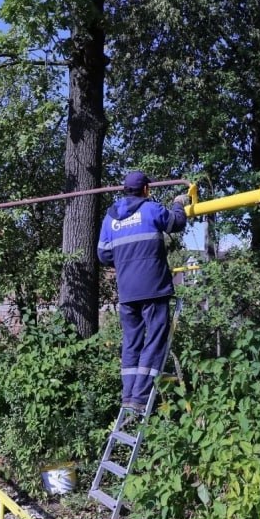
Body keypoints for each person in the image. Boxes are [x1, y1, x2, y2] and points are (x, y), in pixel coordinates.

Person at [97, 171, 189, 414]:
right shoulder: (151, 209)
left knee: (132, 342)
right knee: (155, 340)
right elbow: (176, 223)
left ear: (124, 190)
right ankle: (140, 396)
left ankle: (128, 395)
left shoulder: (111, 218)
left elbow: (103, 254)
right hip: (154, 288)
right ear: (146, 189)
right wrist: (179, 203)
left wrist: (126, 259)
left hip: (127, 291)